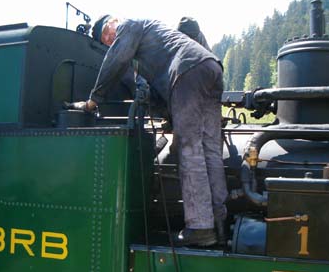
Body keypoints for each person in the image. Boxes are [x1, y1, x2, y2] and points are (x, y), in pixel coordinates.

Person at [77, 16, 228, 246]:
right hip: (210, 67)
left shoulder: (130, 25)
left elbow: (116, 60)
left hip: (188, 71)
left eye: (107, 33)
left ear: (114, 21)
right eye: (105, 40)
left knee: (189, 147)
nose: (109, 40)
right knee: (211, 148)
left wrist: (94, 100)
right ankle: (220, 220)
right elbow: (156, 89)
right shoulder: (151, 40)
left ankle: (200, 227)